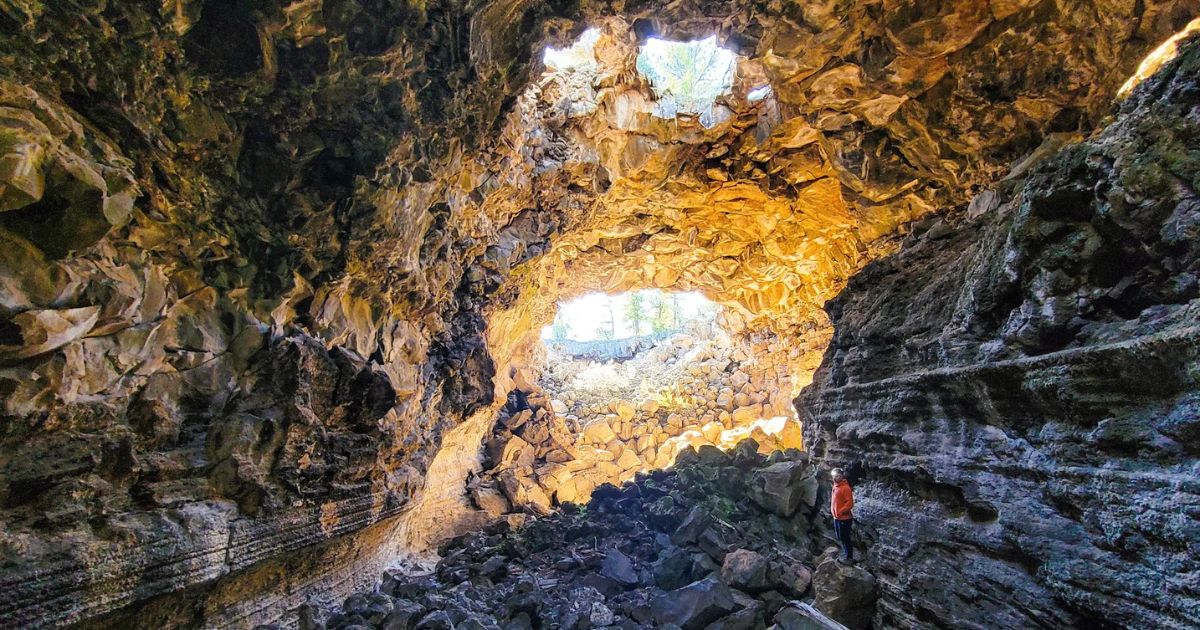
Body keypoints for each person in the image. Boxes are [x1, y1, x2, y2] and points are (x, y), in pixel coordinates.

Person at [830, 468, 855, 564]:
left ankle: (849, 557)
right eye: (834, 476)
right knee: (840, 536)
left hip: (844, 518)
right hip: (837, 518)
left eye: (838, 476)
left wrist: (840, 511)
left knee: (845, 537)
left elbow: (850, 503)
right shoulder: (835, 486)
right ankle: (845, 554)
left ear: (842, 476)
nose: (836, 478)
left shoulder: (845, 488)